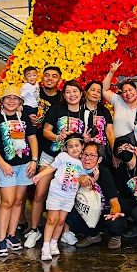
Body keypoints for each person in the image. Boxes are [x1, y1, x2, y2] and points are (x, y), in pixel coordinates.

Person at [25, 79, 83, 248]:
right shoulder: (57, 109)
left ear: (80, 93)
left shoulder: (84, 112)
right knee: (40, 193)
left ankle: (64, 231)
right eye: (68, 92)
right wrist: (59, 137)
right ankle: (34, 230)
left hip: (72, 162)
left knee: (67, 194)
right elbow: (46, 131)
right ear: (63, 95)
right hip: (51, 156)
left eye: (75, 91)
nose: (71, 95)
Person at [0, 86, 38, 257]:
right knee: (6, 202)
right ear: (2, 101)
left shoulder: (24, 117)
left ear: (20, 102)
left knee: (18, 201)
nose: (11, 101)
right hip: (6, 166)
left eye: (15, 98)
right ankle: (1, 239)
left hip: (24, 165)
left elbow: (32, 139)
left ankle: (12, 235)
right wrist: (1, 163)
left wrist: (34, 160)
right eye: (7, 98)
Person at [22, 66, 63, 239]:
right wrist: (25, 114)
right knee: (26, 184)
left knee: (51, 187)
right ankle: (25, 222)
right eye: (47, 75)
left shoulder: (62, 97)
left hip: (53, 148)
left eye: (54, 76)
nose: (50, 78)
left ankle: (53, 224)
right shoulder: (33, 91)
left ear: (59, 80)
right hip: (30, 143)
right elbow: (16, 106)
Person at [32, 133, 84, 261]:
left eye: (77, 145)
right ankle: (45, 246)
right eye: (70, 146)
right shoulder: (63, 157)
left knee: (61, 221)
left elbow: (81, 178)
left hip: (69, 197)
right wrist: (40, 175)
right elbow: (51, 168)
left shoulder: (82, 162)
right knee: (52, 219)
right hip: (56, 194)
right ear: (65, 148)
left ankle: (54, 243)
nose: (74, 149)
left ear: (82, 146)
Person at [66, 141, 125, 249]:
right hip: (85, 212)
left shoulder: (104, 172)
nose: (87, 158)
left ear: (99, 159)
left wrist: (114, 213)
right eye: (85, 154)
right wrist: (78, 180)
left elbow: (114, 201)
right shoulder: (75, 169)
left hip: (103, 213)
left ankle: (115, 236)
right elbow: (65, 193)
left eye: (92, 156)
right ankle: (93, 235)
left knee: (116, 219)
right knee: (67, 211)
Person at [102, 60, 137, 160]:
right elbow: (104, 90)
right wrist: (112, 72)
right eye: (124, 91)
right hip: (120, 151)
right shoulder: (118, 101)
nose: (128, 93)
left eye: (130, 90)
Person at [81, 80, 115, 158]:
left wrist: (114, 152)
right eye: (93, 90)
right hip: (82, 150)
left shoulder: (104, 111)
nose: (95, 93)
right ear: (85, 92)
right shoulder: (78, 109)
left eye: (98, 91)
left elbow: (110, 132)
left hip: (101, 151)